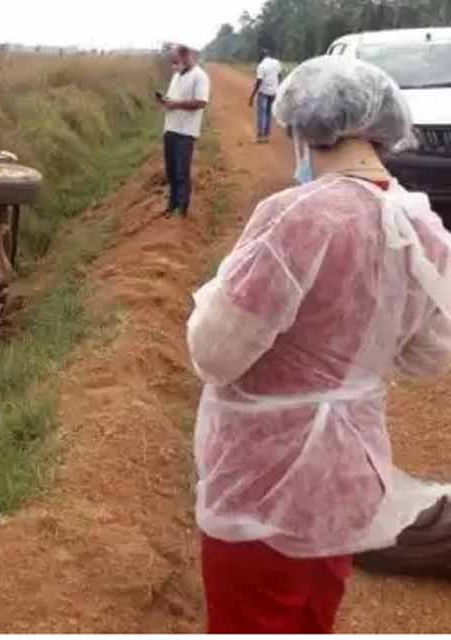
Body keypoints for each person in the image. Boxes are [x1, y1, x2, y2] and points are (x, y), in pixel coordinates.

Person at [187, 55, 451, 634]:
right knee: (312, 617)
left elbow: (214, 354)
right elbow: (427, 354)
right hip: (345, 479)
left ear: (307, 129)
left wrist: (212, 297)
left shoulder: (297, 216)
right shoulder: (421, 225)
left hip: (264, 482)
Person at [158, 44, 210, 217]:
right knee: (171, 170)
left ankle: (182, 208)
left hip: (186, 131)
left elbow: (201, 102)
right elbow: (174, 99)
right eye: (172, 62)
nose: (174, 65)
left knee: (182, 172)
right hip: (170, 127)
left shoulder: (200, 76)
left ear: (186, 56)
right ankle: (171, 204)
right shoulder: (176, 76)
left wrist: (176, 104)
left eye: (176, 61)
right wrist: (166, 101)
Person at [249, 49, 282, 143]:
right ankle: (266, 136)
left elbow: (259, 81)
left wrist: (252, 96)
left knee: (261, 114)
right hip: (274, 92)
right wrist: (278, 87)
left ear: (261, 56)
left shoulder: (261, 66)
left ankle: (260, 136)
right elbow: (280, 76)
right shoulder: (276, 63)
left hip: (263, 92)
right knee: (269, 114)